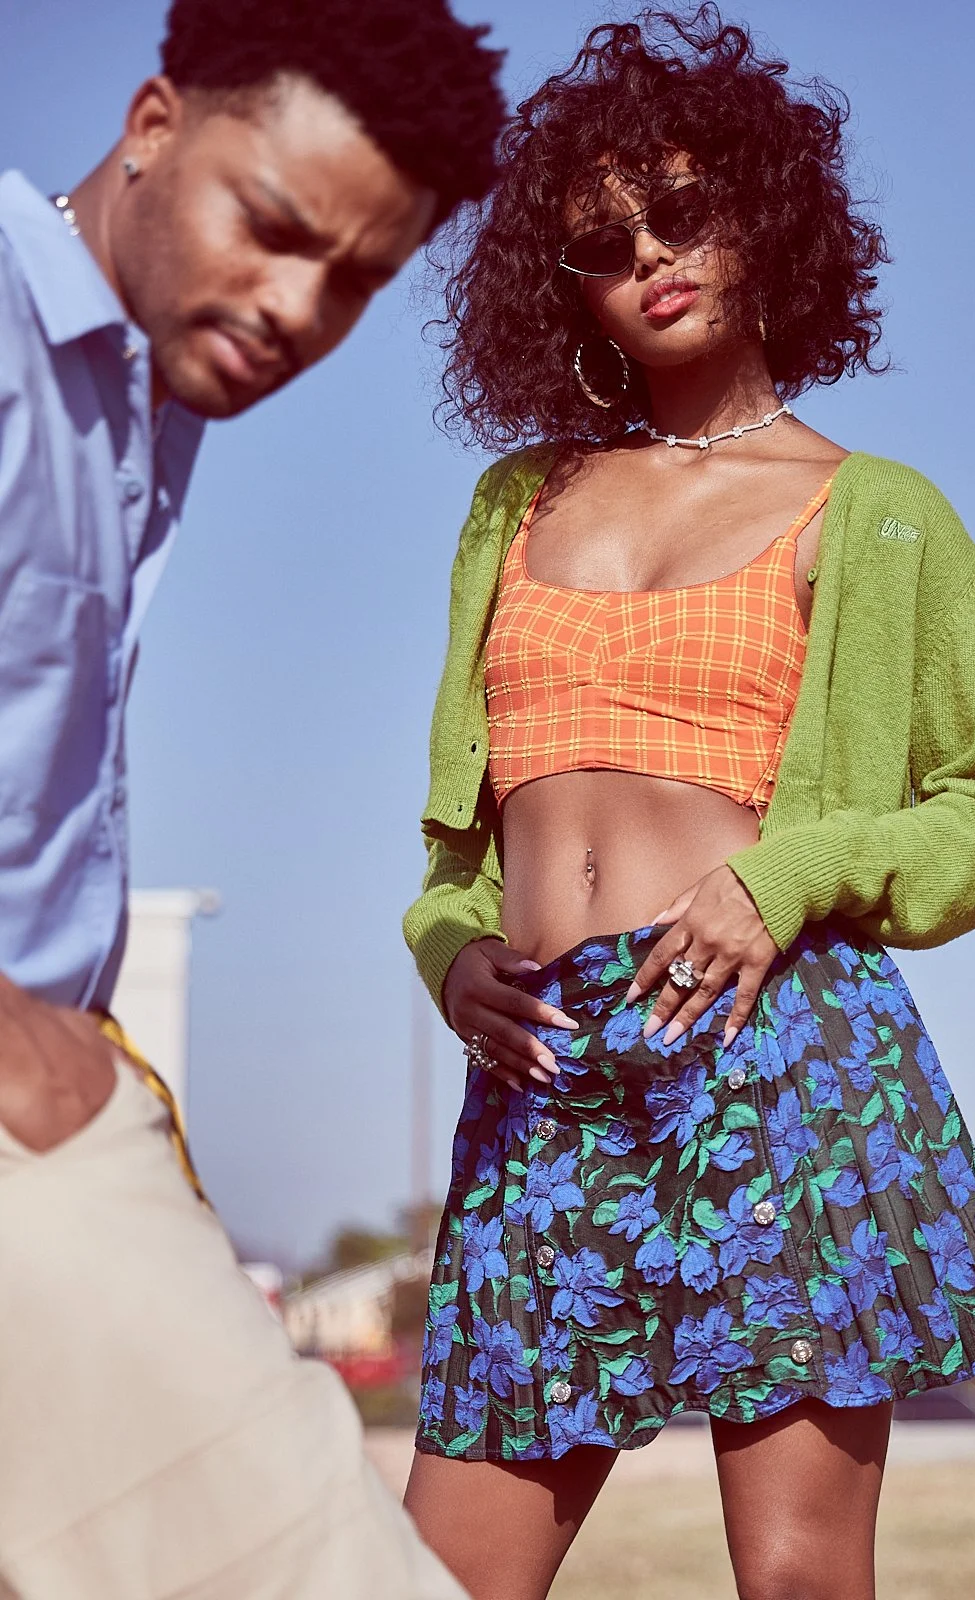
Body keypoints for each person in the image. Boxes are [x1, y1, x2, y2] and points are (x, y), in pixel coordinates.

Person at [402, 11, 975, 1600]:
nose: (648, 254)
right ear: (561, 287)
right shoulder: (513, 504)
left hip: (771, 1050)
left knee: (795, 1579)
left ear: (763, 221)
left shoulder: (877, 512)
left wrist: (790, 876)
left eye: (683, 211)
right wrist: (448, 949)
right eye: (600, 242)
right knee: (430, 1577)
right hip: (545, 1073)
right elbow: (457, 844)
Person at [0, 0, 503, 1593]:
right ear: (152, 123)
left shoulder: (139, 401)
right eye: (273, 227)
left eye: (354, 279)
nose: (296, 306)